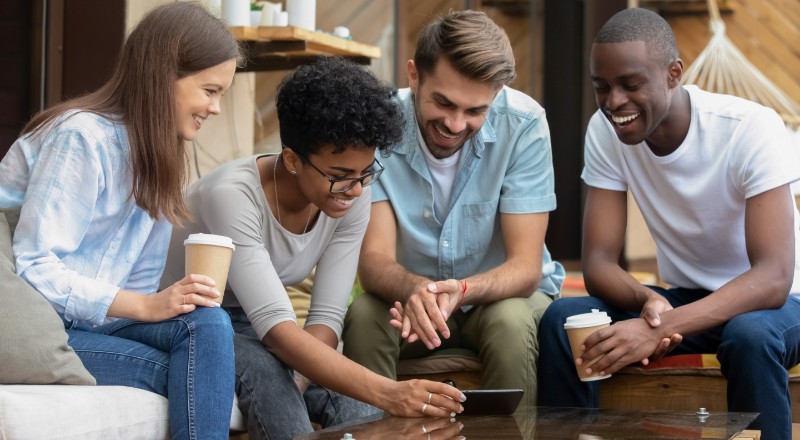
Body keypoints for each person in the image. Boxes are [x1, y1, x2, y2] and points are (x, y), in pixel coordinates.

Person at [160, 57, 466, 440]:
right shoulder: (232, 197)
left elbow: (324, 319)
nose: (355, 190)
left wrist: (305, 376)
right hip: (188, 322)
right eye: (339, 177)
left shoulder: (351, 198)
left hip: (258, 328)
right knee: (268, 370)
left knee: (354, 402)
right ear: (292, 160)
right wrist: (391, 391)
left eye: (365, 173)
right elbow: (277, 332)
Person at [537, 8, 800, 438]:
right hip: (682, 299)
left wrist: (659, 327)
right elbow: (599, 262)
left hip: (780, 303)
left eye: (630, 84)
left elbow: (773, 276)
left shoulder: (749, 129)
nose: (613, 102)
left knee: (749, 336)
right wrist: (648, 302)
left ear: (673, 73)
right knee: (564, 318)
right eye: (601, 87)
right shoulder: (605, 132)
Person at [0, 3, 241, 439]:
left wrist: (160, 302)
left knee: (207, 323)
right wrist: (147, 307)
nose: (216, 108)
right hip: (38, 328)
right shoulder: (81, 138)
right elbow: (35, 267)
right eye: (209, 90)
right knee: (195, 373)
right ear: (164, 74)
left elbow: (143, 283)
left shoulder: (161, 156)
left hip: (91, 325)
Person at [341, 10, 564, 408]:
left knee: (510, 324)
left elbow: (526, 268)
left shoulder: (525, 125)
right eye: (443, 103)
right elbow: (373, 261)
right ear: (413, 75)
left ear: (495, 95)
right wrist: (415, 289)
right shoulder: (380, 124)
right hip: (408, 300)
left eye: (475, 111)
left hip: (500, 298)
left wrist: (462, 291)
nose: (456, 124)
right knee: (364, 315)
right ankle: (367, 431)